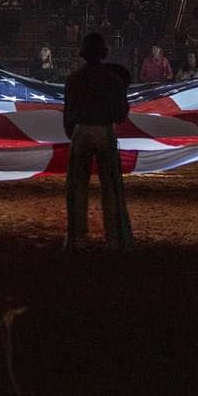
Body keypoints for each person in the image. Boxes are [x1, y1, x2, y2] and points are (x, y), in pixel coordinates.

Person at [63, 33, 134, 252]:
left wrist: (72, 132)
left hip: (81, 130)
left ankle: (76, 239)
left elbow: (68, 111)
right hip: (104, 130)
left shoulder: (74, 79)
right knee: (111, 186)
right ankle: (115, 239)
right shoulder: (114, 79)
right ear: (104, 53)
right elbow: (122, 113)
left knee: (77, 186)